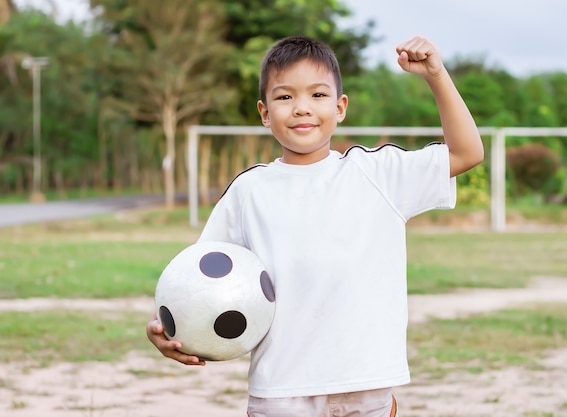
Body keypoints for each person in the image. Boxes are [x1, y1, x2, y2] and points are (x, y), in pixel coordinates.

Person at [146, 34, 484, 417]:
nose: (302, 108)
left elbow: (467, 152)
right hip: (281, 388)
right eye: (285, 97)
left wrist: (436, 75)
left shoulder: (378, 173)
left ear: (340, 107)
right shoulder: (248, 192)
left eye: (318, 96)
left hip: (366, 383)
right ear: (264, 112)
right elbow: (199, 282)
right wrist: (163, 327)